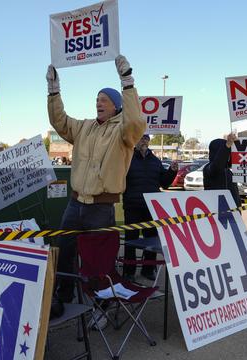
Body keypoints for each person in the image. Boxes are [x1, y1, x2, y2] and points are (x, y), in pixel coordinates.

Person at [46, 55, 146, 310]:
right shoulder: (85, 127)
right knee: (65, 252)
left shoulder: (124, 132)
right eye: (97, 100)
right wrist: (54, 91)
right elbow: (59, 121)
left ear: (116, 105)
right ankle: (63, 296)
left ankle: (102, 304)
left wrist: (128, 82)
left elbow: (135, 121)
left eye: (104, 100)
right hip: (74, 203)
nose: (98, 103)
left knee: (99, 261)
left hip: (101, 209)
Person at [122, 134, 178, 281]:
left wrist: (172, 171)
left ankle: (148, 269)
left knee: (152, 241)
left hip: (152, 208)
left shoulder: (155, 161)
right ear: (135, 141)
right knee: (130, 240)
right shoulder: (127, 158)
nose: (144, 141)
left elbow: (164, 184)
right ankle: (128, 272)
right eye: (141, 138)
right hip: (132, 206)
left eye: (146, 138)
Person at [203, 133, 241, 207]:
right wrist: (226, 146)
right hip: (216, 212)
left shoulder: (228, 170)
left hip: (233, 213)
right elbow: (217, 165)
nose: (228, 154)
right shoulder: (208, 168)